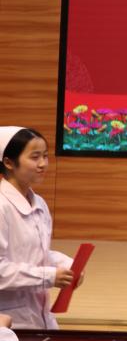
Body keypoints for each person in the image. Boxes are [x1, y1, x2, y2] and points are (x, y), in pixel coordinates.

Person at [0, 127, 76, 329]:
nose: (43, 164)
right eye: (35, 157)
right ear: (8, 163)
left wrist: (68, 265)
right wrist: (48, 276)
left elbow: (35, 253)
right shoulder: (1, 206)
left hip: (40, 316)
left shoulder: (39, 202)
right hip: (10, 321)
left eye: (45, 156)